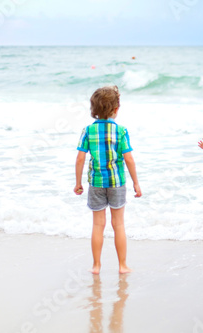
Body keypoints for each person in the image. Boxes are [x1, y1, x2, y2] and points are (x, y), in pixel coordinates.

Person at [74, 86, 142, 274]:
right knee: (118, 224)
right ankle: (122, 266)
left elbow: (80, 158)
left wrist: (78, 183)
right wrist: (136, 183)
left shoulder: (88, 130)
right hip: (117, 182)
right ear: (115, 110)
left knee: (98, 224)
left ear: (94, 109)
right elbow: (128, 158)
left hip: (96, 182)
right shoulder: (120, 131)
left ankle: (96, 266)